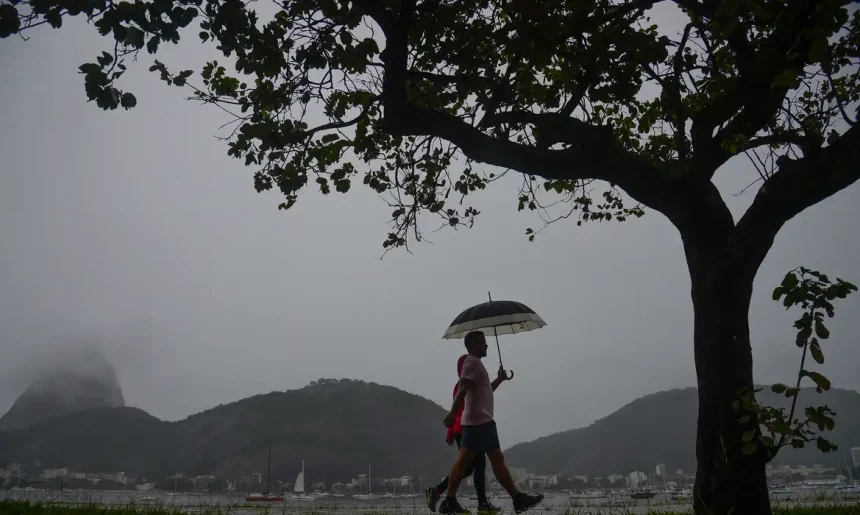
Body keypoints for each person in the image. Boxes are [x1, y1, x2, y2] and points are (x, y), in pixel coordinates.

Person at [438, 331, 544, 515]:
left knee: (464, 462)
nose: (487, 346)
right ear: (476, 342)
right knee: (495, 459)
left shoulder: (476, 364)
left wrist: (500, 379)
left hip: (476, 421)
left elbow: (484, 392)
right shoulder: (471, 363)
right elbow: (463, 389)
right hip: (481, 422)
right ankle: (517, 498)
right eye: (484, 342)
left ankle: (449, 501)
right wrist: (453, 412)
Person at [426, 355, 497, 513]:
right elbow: (456, 409)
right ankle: (481, 503)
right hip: (467, 428)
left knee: (470, 467)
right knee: (478, 465)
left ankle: (438, 492)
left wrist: (500, 379)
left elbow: (485, 394)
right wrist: (450, 432)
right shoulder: (464, 384)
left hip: (464, 429)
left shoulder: (465, 384)